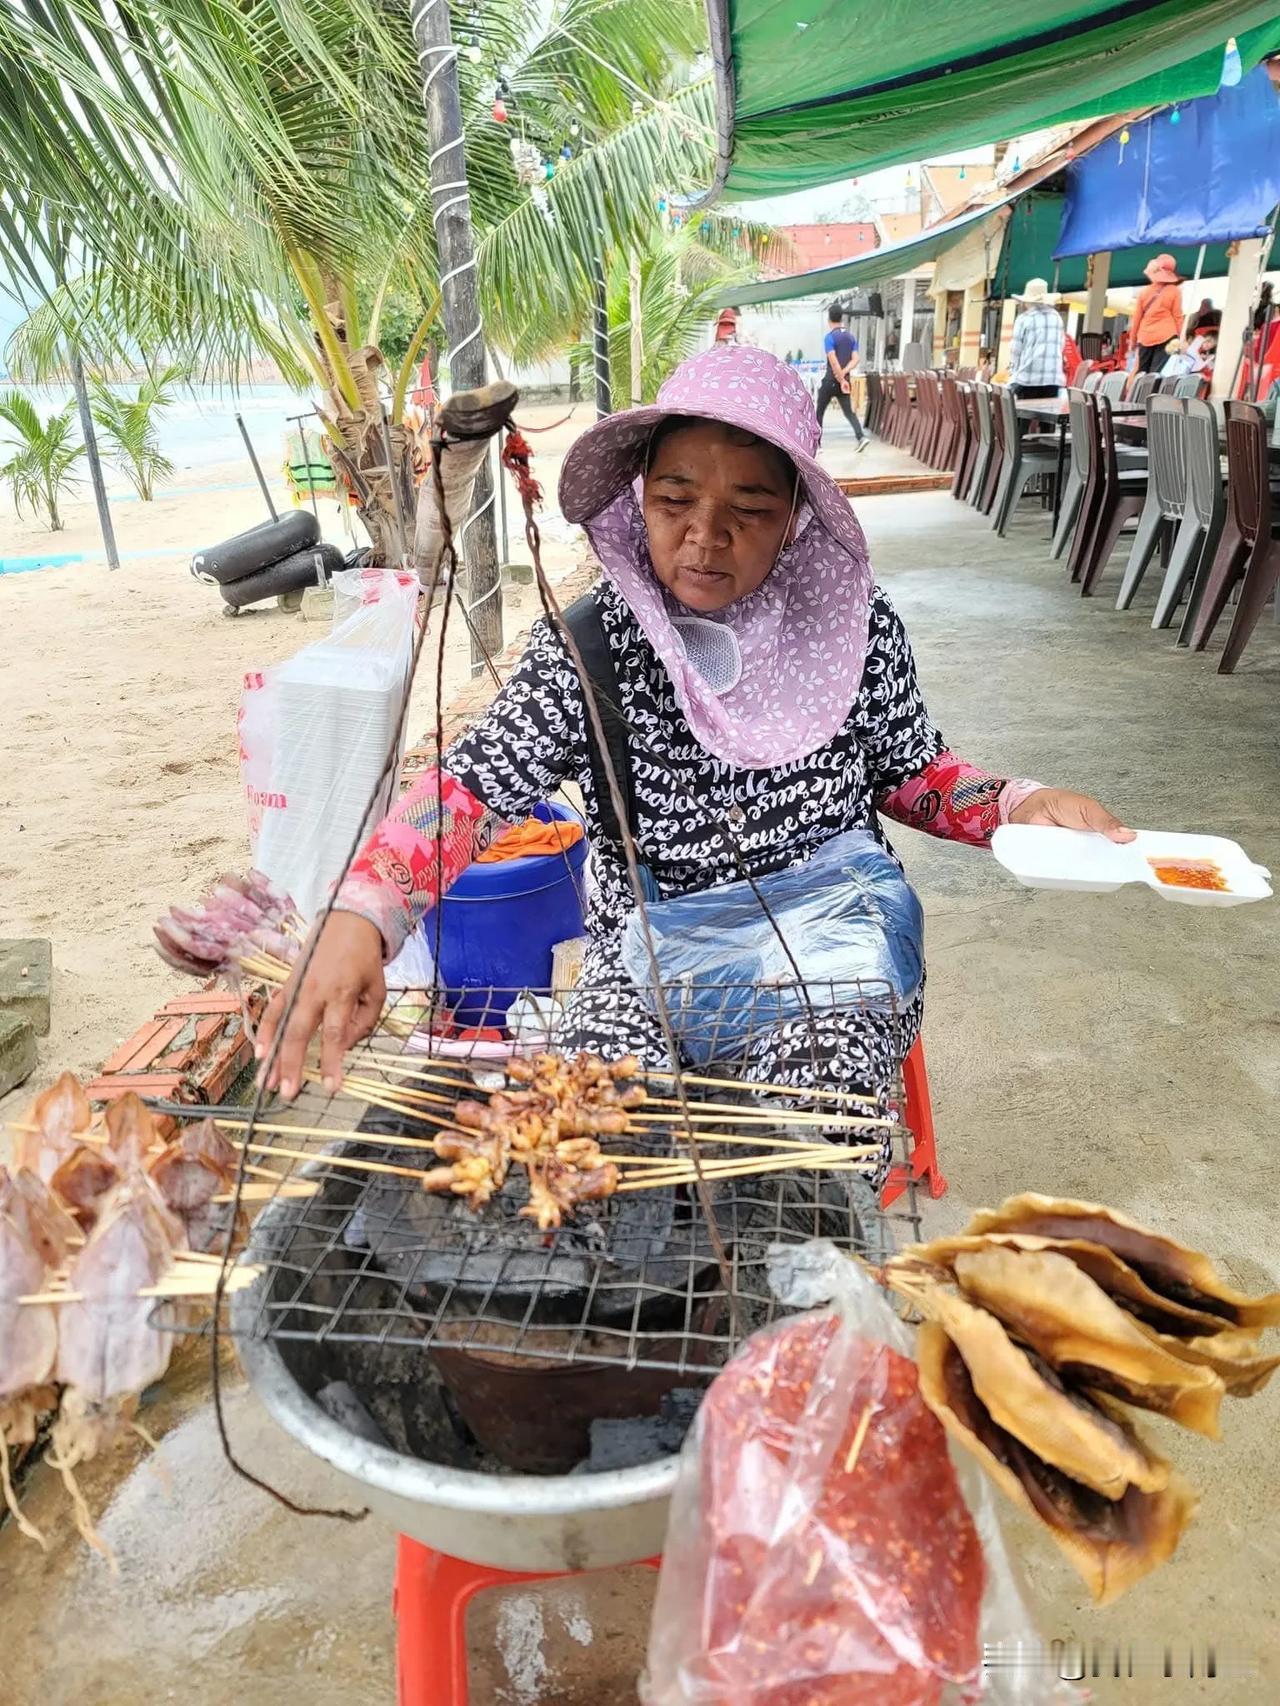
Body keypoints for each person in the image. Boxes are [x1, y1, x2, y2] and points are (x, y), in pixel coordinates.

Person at [257, 347, 1131, 1159]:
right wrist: (365, 912)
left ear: (794, 518)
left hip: (825, 945)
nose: (706, 535)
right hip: (647, 958)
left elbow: (911, 772)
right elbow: (481, 779)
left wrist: (1016, 804)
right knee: (593, 1133)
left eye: (749, 510)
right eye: (675, 501)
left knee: (806, 1160)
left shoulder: (851, 627)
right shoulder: (595, 642)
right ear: (639, 496)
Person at [816, 303, 867, 450]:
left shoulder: (829, 337)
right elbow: (856, 359)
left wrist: (840, 377)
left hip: (831, 381)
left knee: (819, 412)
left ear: (829, 319)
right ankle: (861, 437)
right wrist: (845, 375)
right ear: (841, 317)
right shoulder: (850, 337)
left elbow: (833, 361)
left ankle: (817, 444)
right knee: (849, 412)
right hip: (844, 383)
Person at [1008, 278, 1065, 399]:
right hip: (1053, 379)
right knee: (1048, 417)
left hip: (1028, 378)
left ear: (1027, 301)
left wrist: (1013, 374)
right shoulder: (1056, 317)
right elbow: (1061, 345)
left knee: (1023, 416)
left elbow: (1015, 351)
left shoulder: (1024, 318)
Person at [1131, 255, 1183, 374]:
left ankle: (1141, 392)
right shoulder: (1175, 291)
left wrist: (1133, 341)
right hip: (1167, 336)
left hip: (1145, 336)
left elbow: (1136, 319)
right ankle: (1154, 392)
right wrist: (1180, 337)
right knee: (1158, 373)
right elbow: (1178, 317)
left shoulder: (1144, 292)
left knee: (1141, 372)